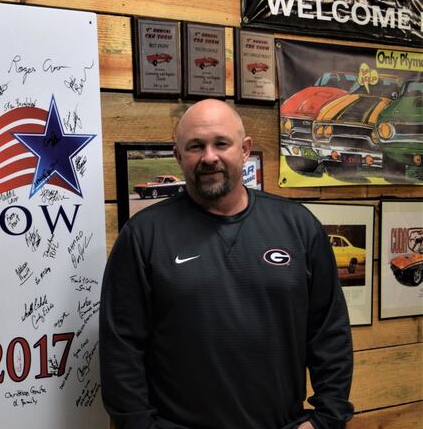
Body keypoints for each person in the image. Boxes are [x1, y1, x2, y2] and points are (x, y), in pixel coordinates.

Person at [100, 99, 353, 429]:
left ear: (244, 150)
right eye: (195, 146)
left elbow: (329, 332)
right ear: (178, 156)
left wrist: (326, 419)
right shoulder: (144, 235)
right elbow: (121, 348)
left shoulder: (298, 227)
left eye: (221, 143)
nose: (209, 157)